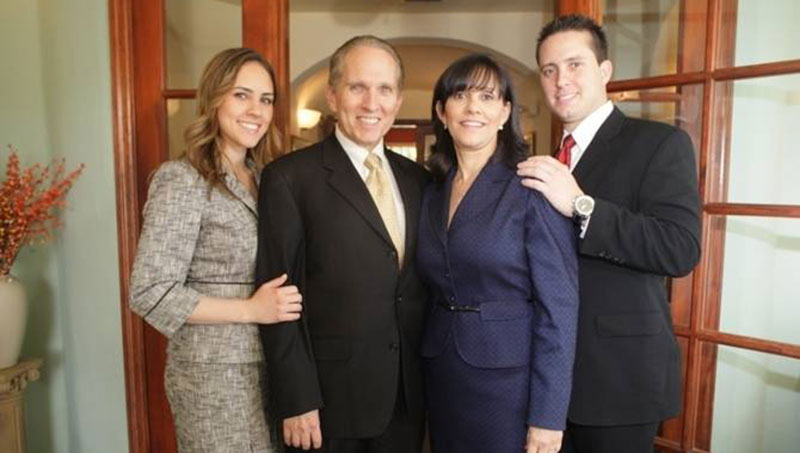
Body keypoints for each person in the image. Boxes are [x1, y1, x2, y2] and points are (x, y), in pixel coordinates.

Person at [517, 14, 702, 453]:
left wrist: (583, 206)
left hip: (620, 381)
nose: (561, 80)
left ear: (605, 71)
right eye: (549, 69)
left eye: (575, 64)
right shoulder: (545, 159)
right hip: (549, 383)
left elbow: (679, 249)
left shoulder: (658, 143)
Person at [255, 36, 429, 453]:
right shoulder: (289, 179)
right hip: (329, 405)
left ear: (398, 99)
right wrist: (296, 399)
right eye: (357, 87)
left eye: (385, 89)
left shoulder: (420, 180)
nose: (372, 103)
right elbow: (277, 297)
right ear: (333, 96)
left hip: (407, 399)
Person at [129, 48, 303, 453]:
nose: (256, 111)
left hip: (271, 368)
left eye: (266, 99)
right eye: (241, 95)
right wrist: (251, 309)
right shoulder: (183, 179)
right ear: (214, 99)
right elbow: (149, 290)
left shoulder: (267, 178)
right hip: (214, 379)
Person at [416, 54, 579, 453]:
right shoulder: (433, 187)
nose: (473, 108)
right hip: (442, 373)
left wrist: (548, 416)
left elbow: (559, 308)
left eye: (488, 97)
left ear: (505, 112)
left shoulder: (531, 185)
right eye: (460, 95)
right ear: (442, 110)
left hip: (509, 386)